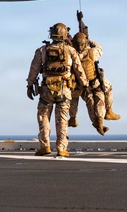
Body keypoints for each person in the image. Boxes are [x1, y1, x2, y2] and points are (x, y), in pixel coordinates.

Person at [26, 22, 87, 157]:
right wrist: (84, 84)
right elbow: (79, 70)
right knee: (63, 119)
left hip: (46, 89)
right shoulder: (71, 51)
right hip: (64, 89)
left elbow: (33, 70)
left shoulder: (42, 50)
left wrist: (29, 85)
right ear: (65, 34)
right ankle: (61, 148)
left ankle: (45, 146)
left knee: (43, 117)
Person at [68, 11, 120, 136]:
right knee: (104, 94)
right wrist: (89, 40)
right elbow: (100, 48)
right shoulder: (92, 52)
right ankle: (108, 112)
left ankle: (76, 118)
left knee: (88, 103)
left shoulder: (72, 55)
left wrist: (68, 42)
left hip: (80, 85)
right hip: (95, 82)